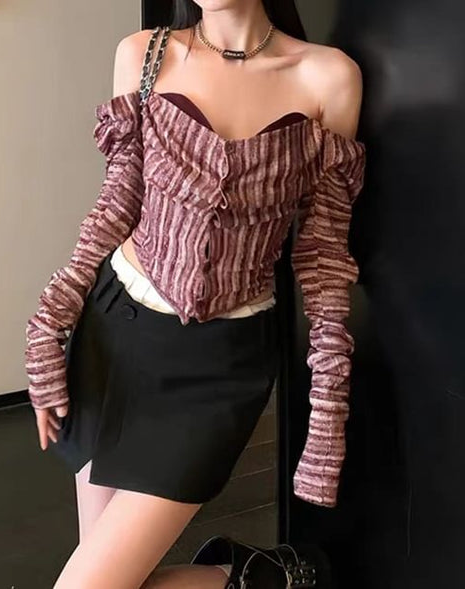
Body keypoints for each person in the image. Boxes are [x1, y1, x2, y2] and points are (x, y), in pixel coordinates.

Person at [24, 2, 366, 588]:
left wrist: (327, 410)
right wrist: (47, 328)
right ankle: (264, 578)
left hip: (219, 368)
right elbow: (116, 205)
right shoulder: (143, 55)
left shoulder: (328, 77)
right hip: (112, 340)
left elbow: (324, 254)